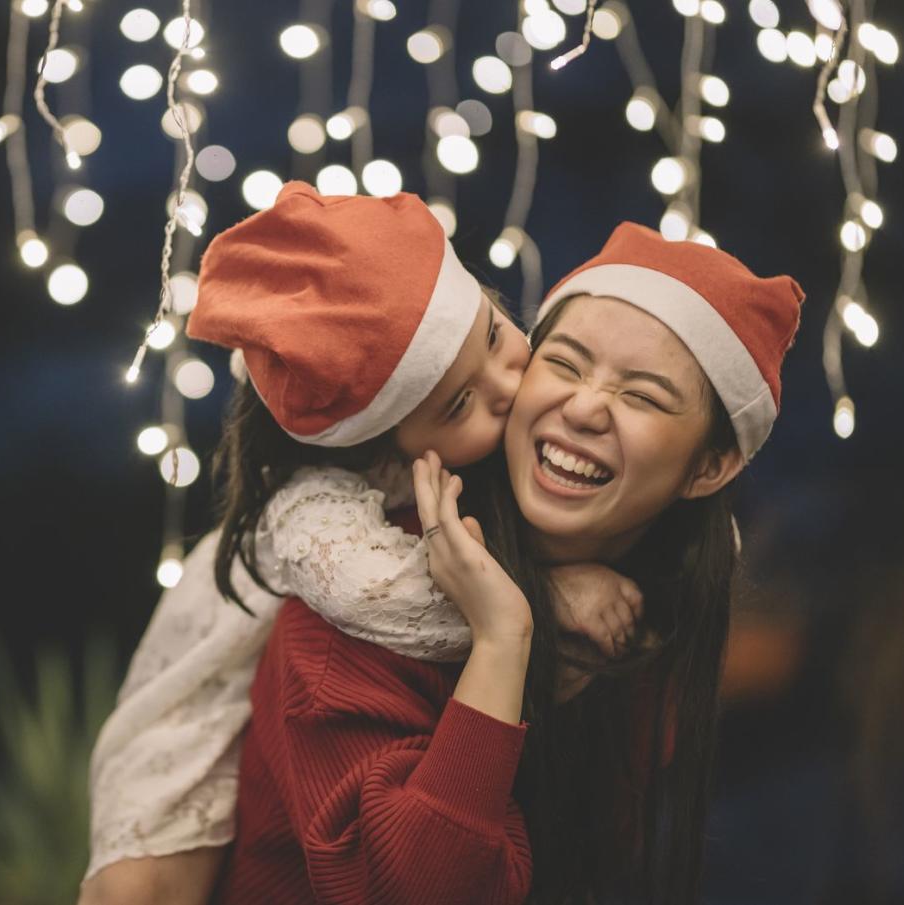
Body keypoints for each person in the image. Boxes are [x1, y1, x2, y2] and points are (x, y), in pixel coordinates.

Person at [80, 185, 642, 905]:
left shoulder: (465, 462)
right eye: (460, 403)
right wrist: (547, 596)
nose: (509, 384)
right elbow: (384, 594)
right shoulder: (317, 519)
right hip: (195, 715)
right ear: (388, 442)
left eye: (497, 336)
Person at [212, 222, 803, 904]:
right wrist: (502, 637)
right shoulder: (355, 605)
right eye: (565, 362)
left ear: (709, 466)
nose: (583, 407)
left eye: (640, 395)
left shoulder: (646, 614)